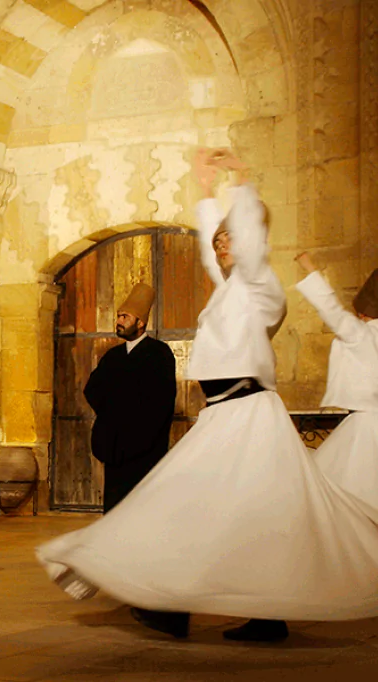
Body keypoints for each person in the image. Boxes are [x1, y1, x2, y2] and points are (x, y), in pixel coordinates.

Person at [37, 148, 378, 643]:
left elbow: (251, 243)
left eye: (230, 236)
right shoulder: (230, 288)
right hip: (224, 414)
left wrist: (239, 180)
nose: (220, 243)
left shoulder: (262, 286)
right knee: (236, 511)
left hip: (248, 413)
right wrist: (201, 191)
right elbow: (209, 253)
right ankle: (260, 615)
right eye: (218, 237)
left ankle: (174, 605)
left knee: (192, 501)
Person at [295, 255, 378, 509]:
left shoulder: (364, 334)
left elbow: (331, 310)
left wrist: (310, 271)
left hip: (366, 427)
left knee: (342, 502)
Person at [83, 283, 176, 512]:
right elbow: (92, 389)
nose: (119, 321)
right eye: (118, 316)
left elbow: (162, 402)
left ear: (140, 322)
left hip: (145, 446)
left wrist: (134, 421)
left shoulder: (159, 354)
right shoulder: (113, 356)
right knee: (116, 508)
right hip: (116, 446)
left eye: (125, 316)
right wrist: (112, 415)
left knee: (141, 509)